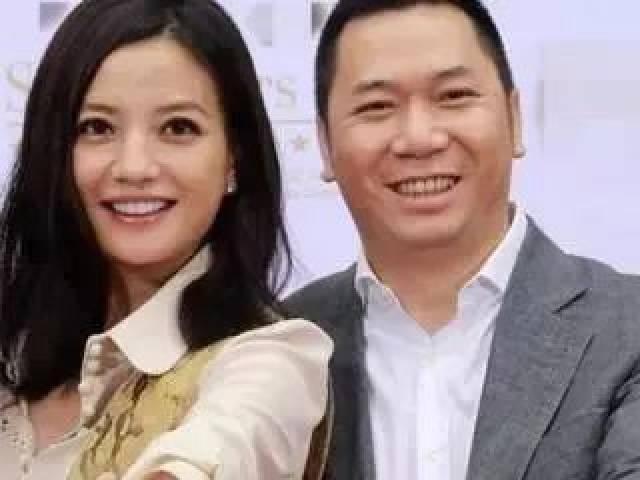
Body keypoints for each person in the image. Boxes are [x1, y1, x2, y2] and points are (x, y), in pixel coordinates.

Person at [286, 1, 640, 479]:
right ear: (325, 146)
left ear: (514, 119)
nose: (419, 138)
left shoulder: (627, 327)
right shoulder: (277, 345)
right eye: (376, 107)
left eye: (453, 96)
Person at [0, 0, 333, 479]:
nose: (134, 167)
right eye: (97, 128)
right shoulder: (15, 352)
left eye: (178, 128)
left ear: (234, 158)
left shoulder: (270, 363)